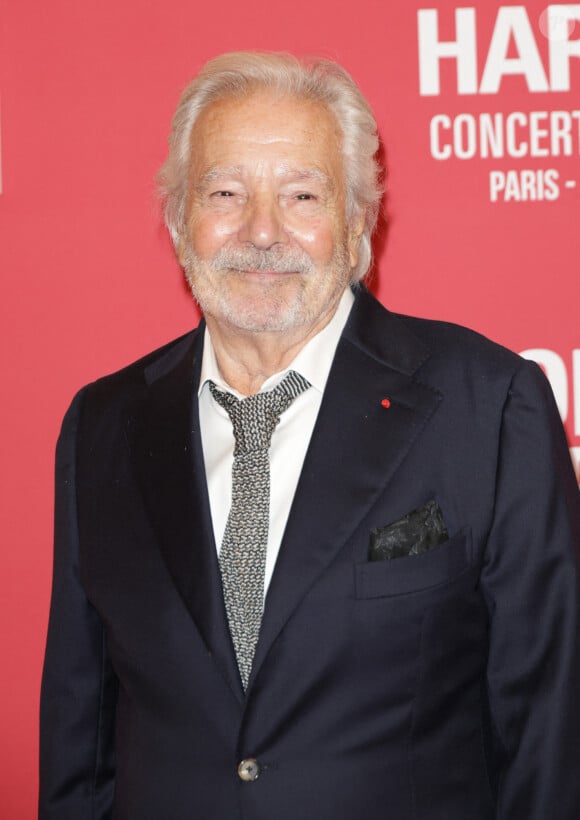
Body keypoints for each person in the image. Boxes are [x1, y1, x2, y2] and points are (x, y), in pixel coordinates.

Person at [39, 51, 580, 820]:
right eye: (226, 192)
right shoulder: (102, 426)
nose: (262, 231)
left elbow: (550, 730)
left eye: (302, 194)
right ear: (176, 219)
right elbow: (78, 735)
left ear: (358, 222)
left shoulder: (487, 406)